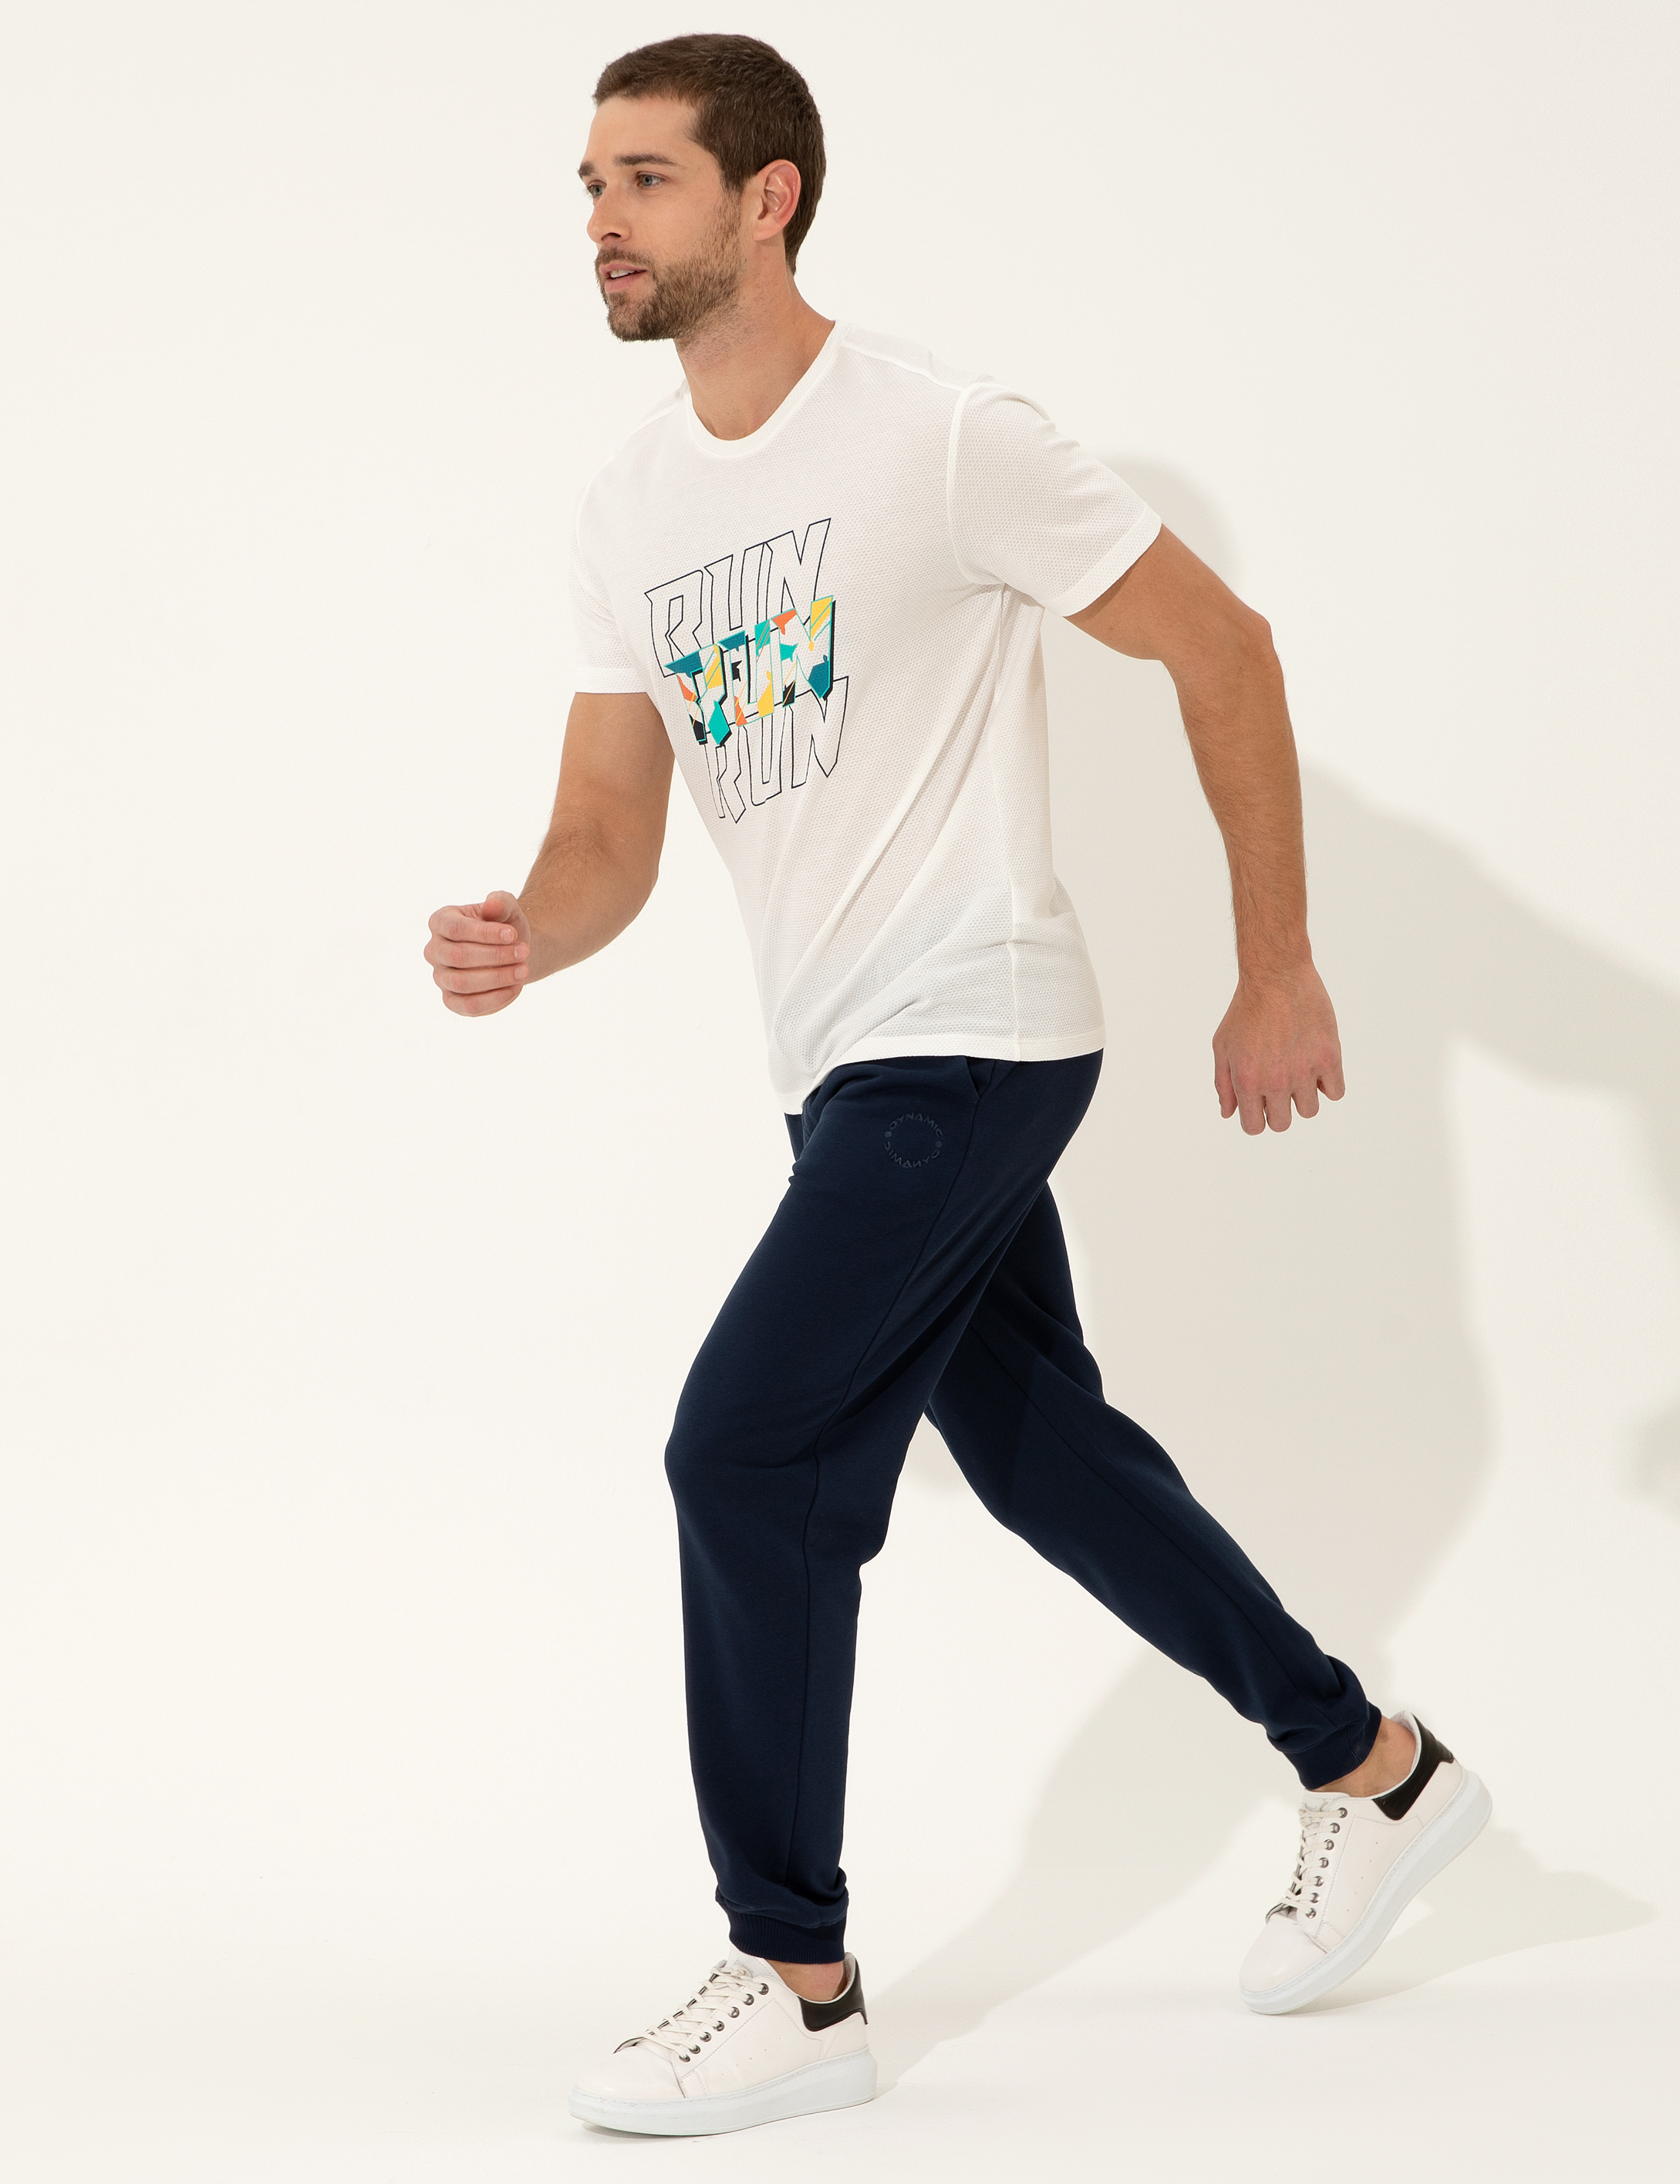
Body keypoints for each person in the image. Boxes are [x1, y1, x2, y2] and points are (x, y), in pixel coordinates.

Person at [423, 32, 1491, 2138]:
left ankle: (796, 1978)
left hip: (975, 1028)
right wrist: (530, 928)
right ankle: (1373, 1771)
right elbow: (609, 831)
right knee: (1037, 1453)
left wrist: (1276, 962)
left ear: (769, 198)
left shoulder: (936, 435)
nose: (601, 222)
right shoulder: (629, 507)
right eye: (588, 184)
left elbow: (1223, 644)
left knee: (743, 1451)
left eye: (644, 179)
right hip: (836, 1063)